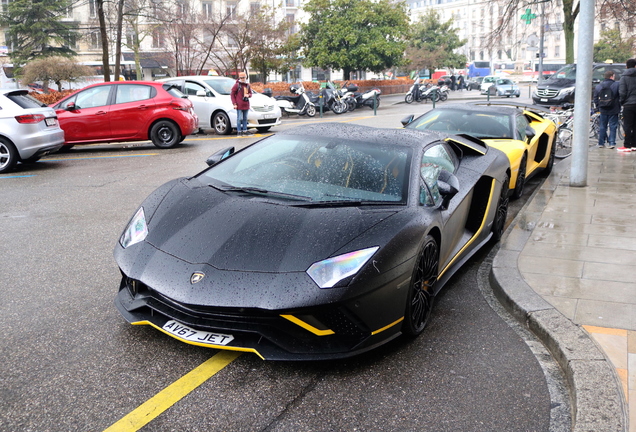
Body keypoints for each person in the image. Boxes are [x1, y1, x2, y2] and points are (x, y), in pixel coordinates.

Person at [593, 70, 621, 149]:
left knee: (602, 126)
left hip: (603, 109)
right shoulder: (616, 85)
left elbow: (595, 98)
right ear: (612, 76)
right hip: (614, 109)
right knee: (613, 126)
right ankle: (612, 143)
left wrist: (599, 106)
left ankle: (601, 143)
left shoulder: (599, 86)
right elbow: (620, 95)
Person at [618, 58, 636, 152]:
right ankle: (634, 144)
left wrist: (622, 102)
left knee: (627, 125)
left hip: (628, 104)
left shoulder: (624, 77)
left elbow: (622, 92)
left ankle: (627, 145)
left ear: (626, 66)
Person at [231, 71, 252, 136]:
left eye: (244, 77)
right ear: (239, 78)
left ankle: (245, 130)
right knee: (239, 118)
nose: (243, 79)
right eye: (241, 77)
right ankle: (239, 131)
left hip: (246, 104)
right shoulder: (237, 85)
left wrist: (248, 95)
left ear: (246, 77)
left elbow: (251, 93)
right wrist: (234, 103)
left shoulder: (247, 85)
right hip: (239, 104)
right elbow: (232, 94)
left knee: (245, 118)